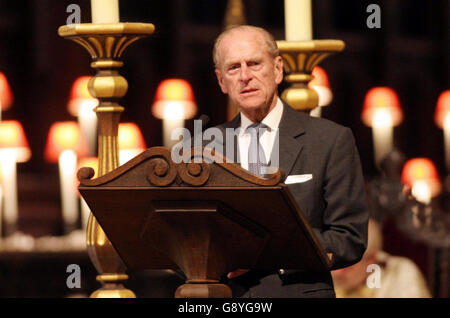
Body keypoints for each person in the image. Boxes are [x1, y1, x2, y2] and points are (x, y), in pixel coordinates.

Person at [212, 25, 369, 298]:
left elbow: (349, 238)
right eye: (233, 68)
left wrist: (264, 253)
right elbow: (185, 238)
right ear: (221, 81)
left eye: (254, 63)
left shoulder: (330, 140)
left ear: (277, 69)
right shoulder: (202, 148)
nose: (245, 76)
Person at [332, 219, 431, 298]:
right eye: (333, 261)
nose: (337, 272)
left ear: (371, 259)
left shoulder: (400, 274)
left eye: (348, 266)